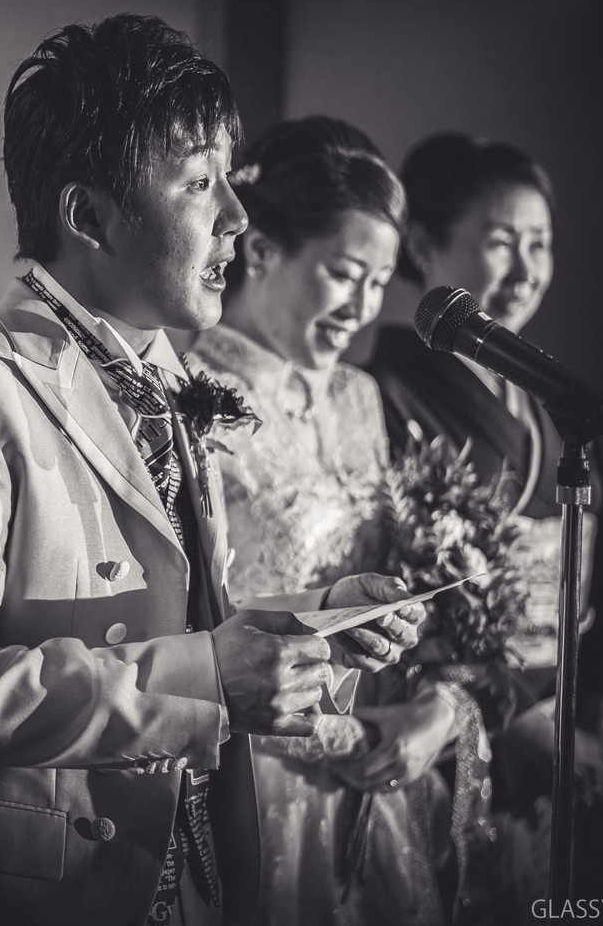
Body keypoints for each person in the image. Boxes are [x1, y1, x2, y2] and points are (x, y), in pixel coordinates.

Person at [0, 16, 423, 926]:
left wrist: (318, 619)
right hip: (38, 883)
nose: (237, 216)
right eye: (199, 184)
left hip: (187, 862)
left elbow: (182, 614)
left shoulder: (169, 375)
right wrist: (206, 678)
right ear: (88, 216)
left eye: (228, 181)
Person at [187, 116, 469, 924]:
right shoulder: (190, 397)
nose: (364, 306)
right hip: (256, 766)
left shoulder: (359, 395)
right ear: (261, 250)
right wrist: (341, 736)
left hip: (381, 764)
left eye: (379, 282)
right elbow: (193, 618)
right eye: (345, 273)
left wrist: (431, 707)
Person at [363, 133, 603, 912]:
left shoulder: (555, 409)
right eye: (499, 241)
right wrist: (524, 723)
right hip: (457, 740)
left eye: (540, 244)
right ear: (424, 245)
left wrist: (593, 724)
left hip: (567, 736)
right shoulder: (386, 395)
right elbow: (399, 597)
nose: (525, 269)